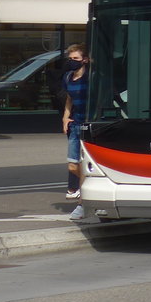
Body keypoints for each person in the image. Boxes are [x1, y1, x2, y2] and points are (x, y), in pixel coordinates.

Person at [60, 44, 89, 221]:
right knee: (72, 165)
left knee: (85, 165)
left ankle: (82, 202)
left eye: (76, 59)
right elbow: (69, 99)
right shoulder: (68, 77)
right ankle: (85, 188)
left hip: (88, 125)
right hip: (75, 124)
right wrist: (65, 118)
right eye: (70, 59)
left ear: (85, 60)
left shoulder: (90, 77)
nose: (72, 62)